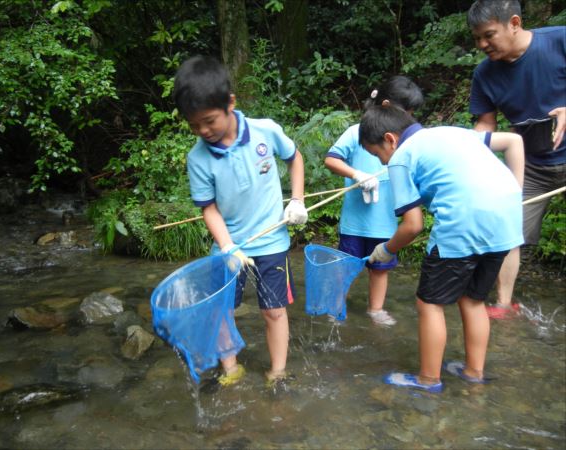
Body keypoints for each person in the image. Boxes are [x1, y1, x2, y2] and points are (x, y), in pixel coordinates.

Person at [360, 104, 524, 392]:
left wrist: (386, 249)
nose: (383, 162)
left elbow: (412, 225)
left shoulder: (400, 158)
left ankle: (428, 379)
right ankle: (473, 372)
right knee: (473, 299)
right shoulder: (453, 132)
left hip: (464, 220)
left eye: (377, 155)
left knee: (429, 303)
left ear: (390, 139)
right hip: (507, 217)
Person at [173, 55, 308, 386]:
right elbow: (209, 208)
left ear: (230, 103)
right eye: (194, 125)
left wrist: (297, 199)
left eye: (209, 121)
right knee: (221, 310)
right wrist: (227, 245)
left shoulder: (266, 131)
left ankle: (277, 371)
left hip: (272, 242)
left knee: (274, 311)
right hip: (228, 246)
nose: (203, 131)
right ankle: (231, 368)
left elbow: (295, 159)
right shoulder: (198, 158)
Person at [467, 0, 566, 319]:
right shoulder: (484, 73)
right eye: (477, 38)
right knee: (508, 230)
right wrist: (471, 147)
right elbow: (486, 123)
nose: (482, 44)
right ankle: (502, 304)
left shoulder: (559, 40)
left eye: (489, 35)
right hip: (531, 167)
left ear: (514, 23)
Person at [324, 76, 424, 326]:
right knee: (345, 267)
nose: (410, 119)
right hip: (355, 222)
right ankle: (335, 307)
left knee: (380, 268)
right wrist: (356, 174)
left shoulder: (406, 140)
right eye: (407, 112)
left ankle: (375, 310)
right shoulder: (357, 132)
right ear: (388, 105)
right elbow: (331, 160)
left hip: (386, 222)